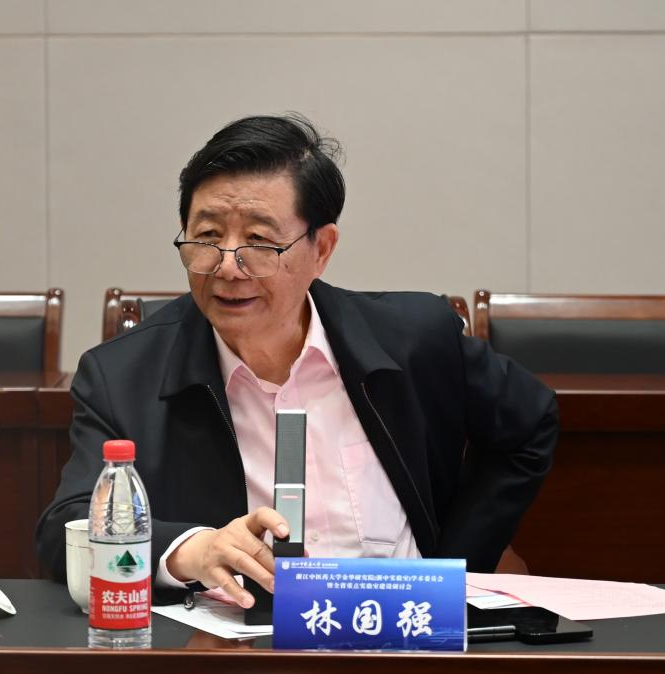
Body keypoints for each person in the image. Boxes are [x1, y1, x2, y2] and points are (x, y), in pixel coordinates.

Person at [35, 113, 558, 608]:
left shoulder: (413, 338)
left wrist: (456, 561)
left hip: (406, 634)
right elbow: (66, 528)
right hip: (241, 643)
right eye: (208, 237)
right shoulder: (123, 375)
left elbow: (530, 422)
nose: (227, 267)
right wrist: (193, 551)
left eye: (259, 241)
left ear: (321, 248)